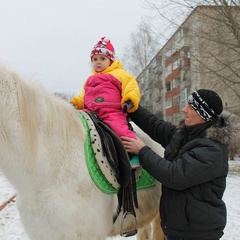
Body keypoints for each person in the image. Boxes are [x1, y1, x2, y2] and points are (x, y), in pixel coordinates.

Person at [121, 89, 239, 240]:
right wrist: (134, 110)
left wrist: (142, 151)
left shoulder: (212, 150)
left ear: (204, 115)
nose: (184, 109)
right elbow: (156, 126)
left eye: (191, 106)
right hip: (180, 228)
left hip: (197, 233)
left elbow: (173, 175)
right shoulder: (187, 135)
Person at [71, 36, 141, 168]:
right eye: (95, 59)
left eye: (102, 59)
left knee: (119, 129)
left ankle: (136, 153)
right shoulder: (90, 79)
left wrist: (129, 100)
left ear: (110, 60)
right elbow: (83, 96)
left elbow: (131, 87)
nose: (98, 62)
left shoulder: (119, 74)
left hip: (111, 111)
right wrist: (75, 103)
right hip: (91, 112)